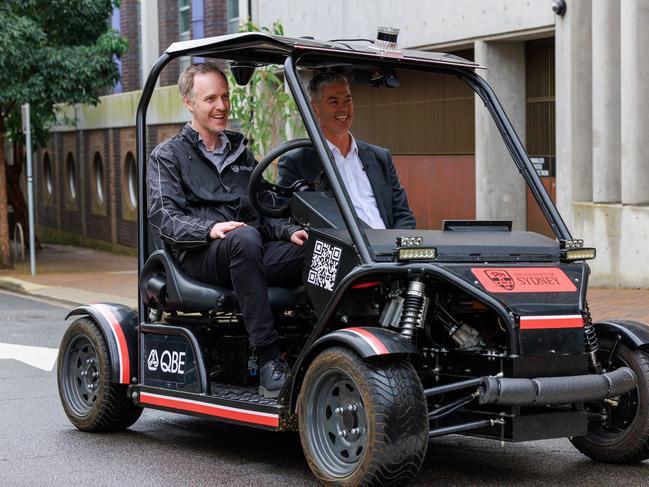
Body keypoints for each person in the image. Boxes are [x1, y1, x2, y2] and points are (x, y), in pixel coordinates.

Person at [147, 62, 308, 398]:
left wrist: (287, 232)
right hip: (196, 254)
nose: (221, 106)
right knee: (244, 238)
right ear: (189, 103)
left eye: (225, 97)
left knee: (317, 249)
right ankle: (268, 358)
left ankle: (317, 346)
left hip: (244, 251)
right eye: (210, 99)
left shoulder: (241, 154)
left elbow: (261, 210)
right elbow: (164, 215)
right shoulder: (169, 155)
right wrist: (210, 228)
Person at [278, 71, 415, 229]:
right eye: (334, 102)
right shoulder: (297, 163)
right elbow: (286, 218)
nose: (343, 109)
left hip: (389, 247)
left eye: (347, 101)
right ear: (314, 109)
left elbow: (403, 214)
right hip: (344, 248)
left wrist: (397, 247)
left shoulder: (380, 157)